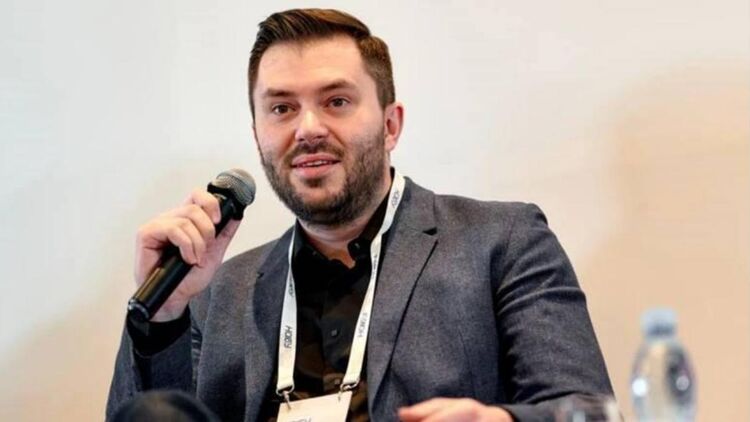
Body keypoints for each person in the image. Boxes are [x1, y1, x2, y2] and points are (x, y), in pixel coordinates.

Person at [107, 8, 613, 422]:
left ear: (391, 126)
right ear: (258, 133)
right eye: (282, 108)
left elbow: (590, 413)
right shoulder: (217, 291)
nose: (308, 128)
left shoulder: (500, 242)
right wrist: (165, 314)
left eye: (336, 101)